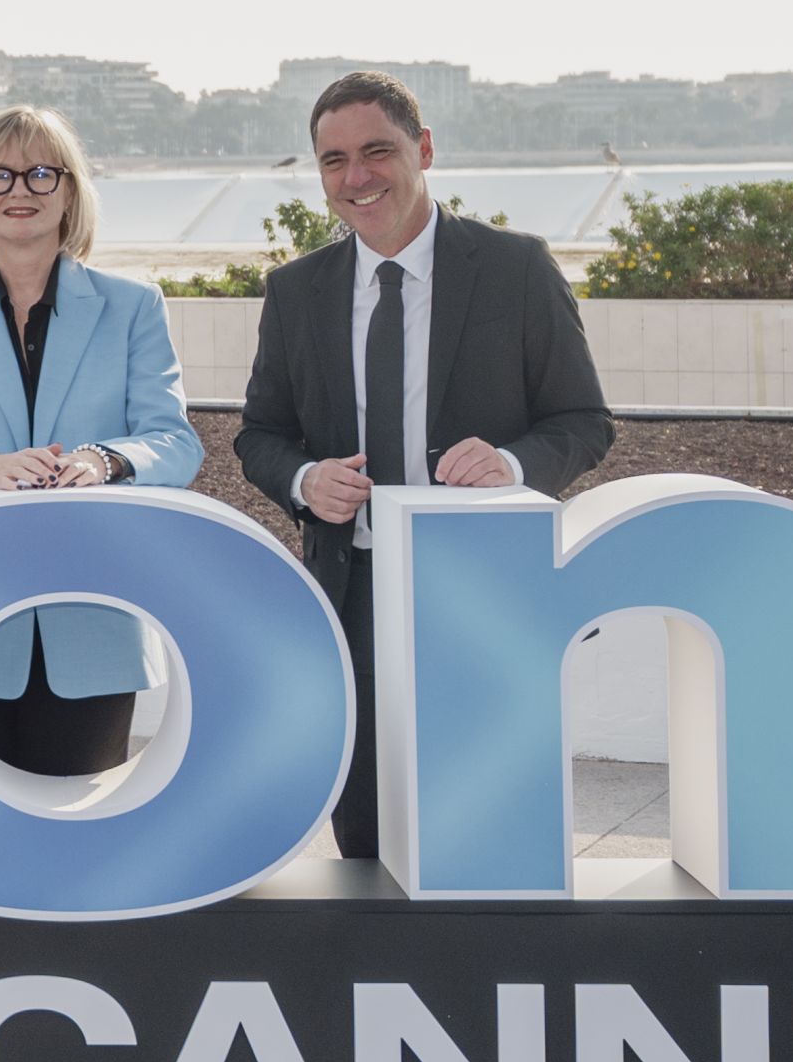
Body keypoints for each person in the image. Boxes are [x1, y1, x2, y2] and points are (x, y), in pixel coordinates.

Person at [236, 70, 616, 861]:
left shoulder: (516, 270)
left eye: (378, 151)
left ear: (426, 149)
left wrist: (512, 464)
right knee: (367, 834)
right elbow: (261, 434)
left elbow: (583, 422)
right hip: (354, 595)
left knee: (487, 829)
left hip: (481, 587)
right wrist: (307, 482)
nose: (357, 176)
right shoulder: (295, 291)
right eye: (334, 160)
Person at [0, 105, 202, 778]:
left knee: (78, 844)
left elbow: (174, 442)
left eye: (39, 172)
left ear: (69, 190)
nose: (19, 191)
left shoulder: (134, 307)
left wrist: (105, 458)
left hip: (95, 621)